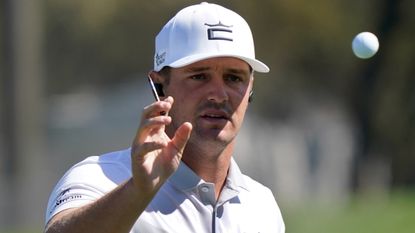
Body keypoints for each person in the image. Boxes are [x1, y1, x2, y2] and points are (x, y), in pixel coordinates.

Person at [44, 2, 285, 233]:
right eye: (199, 76)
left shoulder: (262, 205)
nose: (219, 95)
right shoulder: (99, 178)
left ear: (250, 88)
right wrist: (137, 192)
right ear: (159, 87)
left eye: (234, 78)